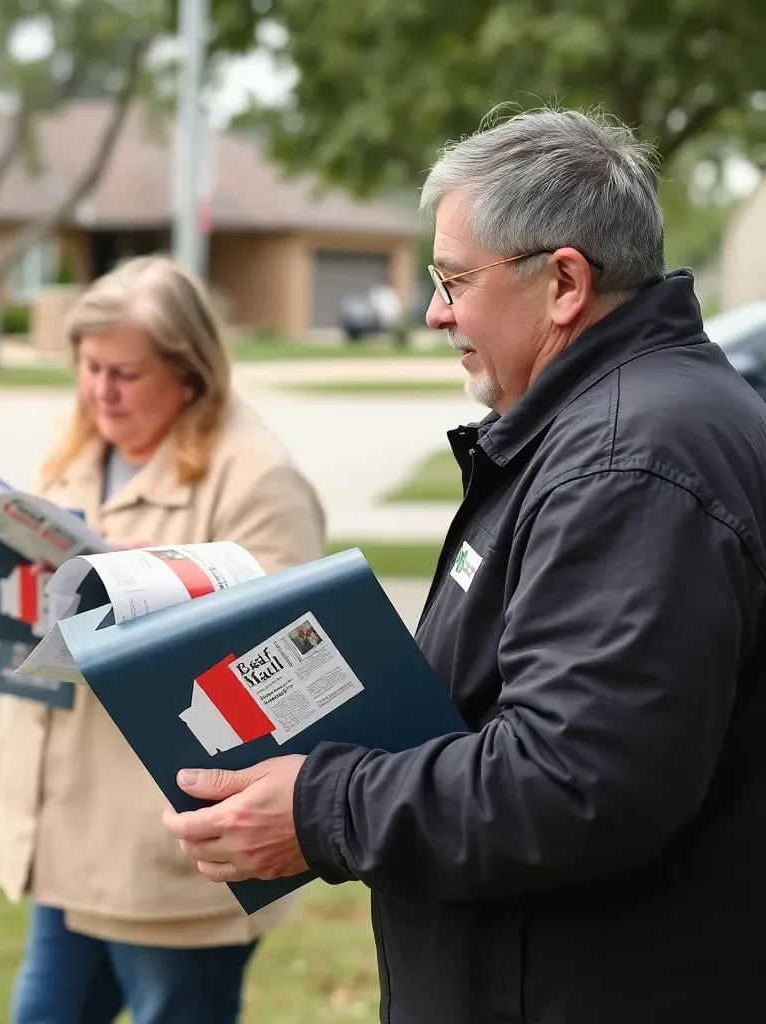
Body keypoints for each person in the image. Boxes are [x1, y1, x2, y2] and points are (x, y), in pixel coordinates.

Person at [163, 108, 766, 1023]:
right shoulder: (608, 425)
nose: (435, 310)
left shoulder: (627, 460)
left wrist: (322, 806)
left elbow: (575, 782)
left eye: (453, 280)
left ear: (564, 281)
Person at [0, 254, 326, 1024]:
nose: (101, 391)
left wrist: (141, 607)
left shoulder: (256, 478)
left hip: (166, 856)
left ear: (190, 372)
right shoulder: (79, 448)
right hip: (66, 834)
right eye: (89, 367)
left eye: (125, 373)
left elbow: (287, 662)